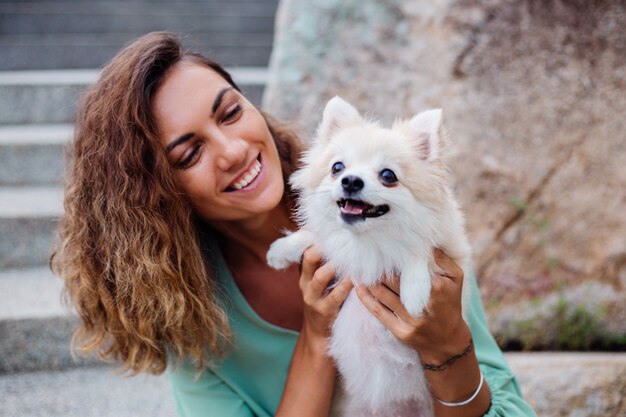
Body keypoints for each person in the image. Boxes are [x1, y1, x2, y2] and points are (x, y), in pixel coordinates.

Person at [51, 31, 537, 417]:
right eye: (190, 152)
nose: (234, 150)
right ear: (153, 193)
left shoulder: (407, 229)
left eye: (231, 112)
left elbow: (511, 411)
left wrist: (447, 348)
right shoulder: (187, 307)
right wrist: (317, 334)